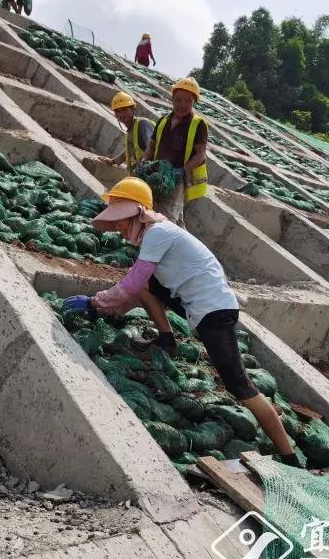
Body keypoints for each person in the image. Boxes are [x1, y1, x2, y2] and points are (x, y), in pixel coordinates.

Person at [63, 177, 301, 467]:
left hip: (214, 312)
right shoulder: (159, 231)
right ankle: (166, 338)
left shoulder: (157, 234)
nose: (120, 229)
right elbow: (139, 286)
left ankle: (288, 456)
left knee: (239, 384)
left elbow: (131, 282)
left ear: (139, 213)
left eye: (122, 221)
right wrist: (106, 309)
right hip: (200, 303)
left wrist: (95, 302)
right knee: (149, 287)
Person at [148, 76, 209, 227]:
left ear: (194, 102)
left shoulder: (198, 124)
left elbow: (200, 154)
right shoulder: (163, 121)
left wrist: (183, 171)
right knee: (171, 217)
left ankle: (165, 246)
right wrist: (144, 162)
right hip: (157, 176)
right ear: (172, 98)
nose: (182, 105)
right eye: (178, 100)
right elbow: (151, 147)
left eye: (188, 101)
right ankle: (184, 248)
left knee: (166, 218)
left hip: (176, 179)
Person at [100, 92, 155, 174]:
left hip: (150, 174)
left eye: (124, 109)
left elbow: (151, 149)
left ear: (132, 109)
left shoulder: (143, 124)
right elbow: (128, 151)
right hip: (139, 176)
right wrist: (113, 161)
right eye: (117, 111)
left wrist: (141, 167)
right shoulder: (130, 131)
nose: (121, 114)